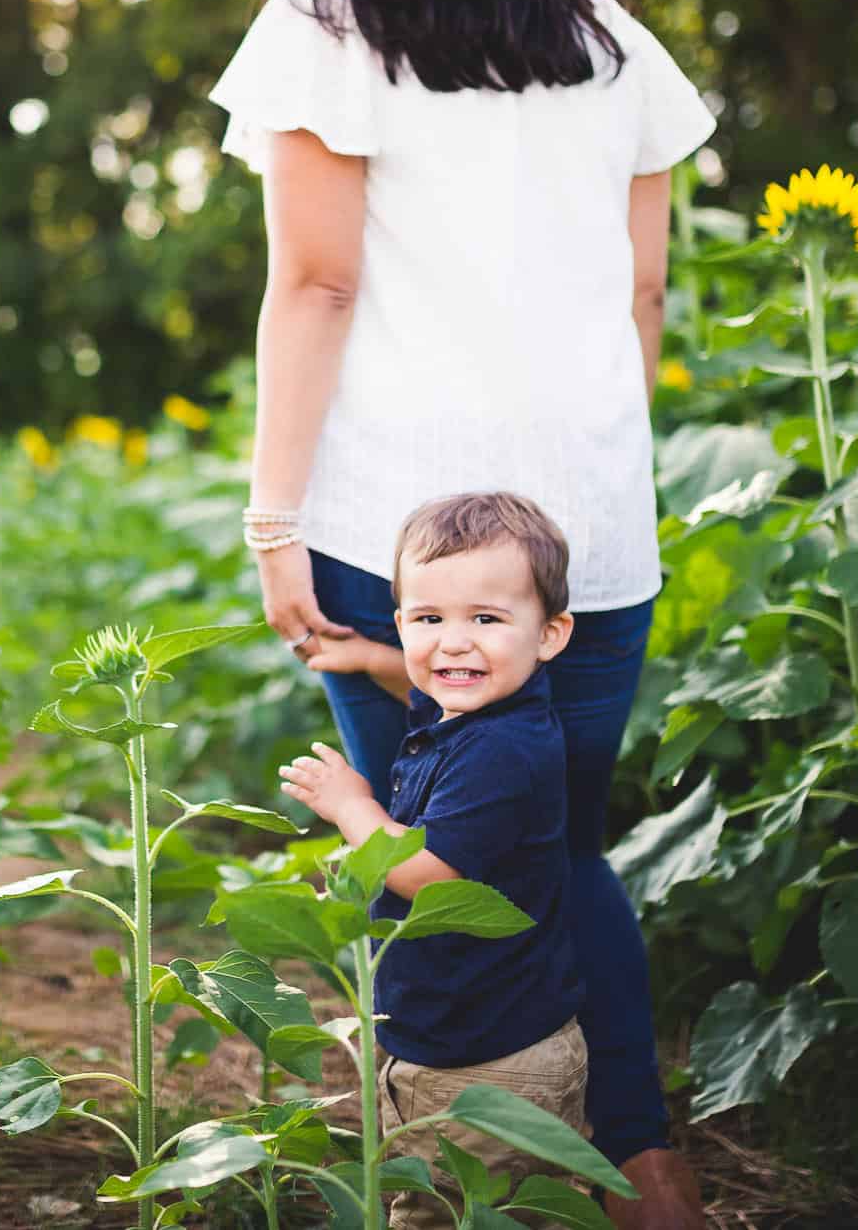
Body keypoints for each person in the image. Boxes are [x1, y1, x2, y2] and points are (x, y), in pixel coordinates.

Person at [207, 0, 713, 1223]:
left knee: (420, 861)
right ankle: (641, 1159)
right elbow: (642, 298)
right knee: (559, 851)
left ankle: (442, 1159)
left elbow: (313, 283)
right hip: (589, 535)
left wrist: (273, 519)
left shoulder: (321, 26)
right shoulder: (611, 39)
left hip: (401, 532)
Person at [279, 493, 586, 1228]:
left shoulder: (501, 753)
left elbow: (427, 875)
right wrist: (371, 659)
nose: (453, 644)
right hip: (494, 1036)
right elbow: (428, 686)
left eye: (485, 619)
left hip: (483, 1063)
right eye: (428, 620)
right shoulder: (484, 710)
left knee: (455, 1213)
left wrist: (351, 805)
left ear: (549, 634)